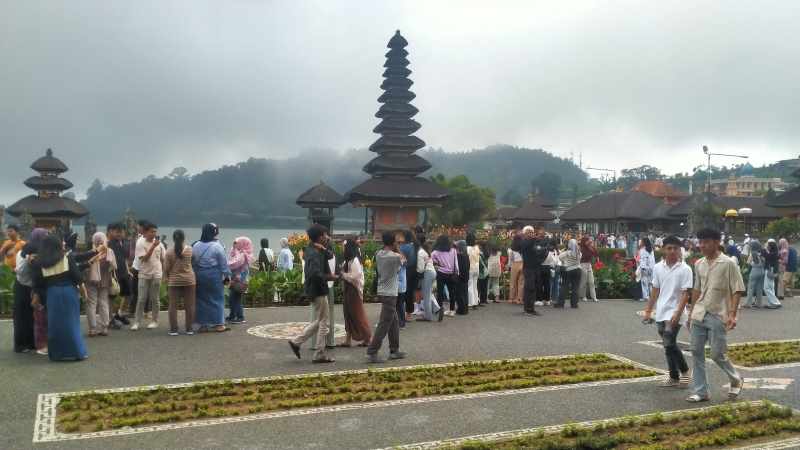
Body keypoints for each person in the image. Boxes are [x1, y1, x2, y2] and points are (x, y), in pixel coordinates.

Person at [686, 228, 745, 403]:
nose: (702, 246)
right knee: (696, 351)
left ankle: (736, 378)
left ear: (717, 242)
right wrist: (690, 313)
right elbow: (697, 289)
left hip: (719, 313)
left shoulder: (728, 263)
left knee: (717, 354)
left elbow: (737, 289)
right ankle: (701, 391)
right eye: (700, 242)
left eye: (706, 242)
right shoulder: (699, 263)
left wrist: (732, 314)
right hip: (699, 312)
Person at [643, 236, 692, 387]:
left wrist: (677, 313)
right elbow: (655, 290)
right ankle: (674, 377)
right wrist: (648, 310)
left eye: (675, 248)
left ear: (679, 250)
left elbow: (686, 293)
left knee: (669, 342)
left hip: (676, 311)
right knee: (668, 344)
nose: (672, 251)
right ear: (664, 249)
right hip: (661, 311)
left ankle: (685, 372)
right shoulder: (658, 267)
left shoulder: (685, 269)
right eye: (669, 248)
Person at [32, 235, 87, 362]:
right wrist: (84, 293)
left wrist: (36, 297)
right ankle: (77, 352)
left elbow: (38, 283)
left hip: (52, 294)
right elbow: (77, 277)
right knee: (72, 323)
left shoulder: (40, 262)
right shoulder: (67, 257)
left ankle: (57, 354)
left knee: (54, 324)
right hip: (69, 292)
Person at [288, 224, 338, 363]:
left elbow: (330, 256)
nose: (327, 237)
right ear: (320, 237)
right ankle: (319, 354)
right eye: (325, 235)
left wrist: (324, 247)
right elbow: (315, 274)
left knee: (321, 320)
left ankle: (296, 342)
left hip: (316, 289)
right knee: (323, 322)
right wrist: (330, 277)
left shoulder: (314, 249)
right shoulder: (314, 253)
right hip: (317, 290)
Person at [366, 231, 406, 363]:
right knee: (384, 324)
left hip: (382, 291)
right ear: (393, 242)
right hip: (390, 294)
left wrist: (393, 246)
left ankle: (394, 350)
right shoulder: (395, 256)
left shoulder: (378, 254)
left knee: (393, 322)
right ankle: (372, 351)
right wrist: (397, 248)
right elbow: (404, 261)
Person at [12, 228, 47, 353]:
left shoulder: (40, 252)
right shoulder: (23, 252)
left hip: (32, 288)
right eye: (43, 236)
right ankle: (21, 345)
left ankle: (32, 342)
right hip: (22, 286)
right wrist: (28, 260)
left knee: (33, 317)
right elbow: (19, 272)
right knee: (22, 317)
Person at [192, 223, 231, 332]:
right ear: (214, 233)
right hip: (214, 275)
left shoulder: (196, 245)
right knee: (217, 299)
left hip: (199, 274)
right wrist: (227, 276)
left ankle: (203, 325)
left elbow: (193, 261)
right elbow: (223, 264)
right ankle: (219, 324)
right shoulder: (217, 246)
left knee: (201, 299)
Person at [131, 222, 164, 331]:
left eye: (155, 232)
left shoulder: (160, 244)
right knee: (141, 299)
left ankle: (155, 321)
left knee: (155, 299)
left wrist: (165, 273)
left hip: (157, 274)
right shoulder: (140, 243)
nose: (154, 234)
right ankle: (137, 322)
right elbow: (144, 259)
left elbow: (163, 259)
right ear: (145, 232)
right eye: (151, 231)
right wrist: (153, 246)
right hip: (144, 274)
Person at [163, 229, 196, 336]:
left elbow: (166, 268)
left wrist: (166, 276)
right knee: (190, 305)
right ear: (184, 238)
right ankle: (189, 329)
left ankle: (174, 330)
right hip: (189, 280)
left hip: (174, 281)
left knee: (173, 306)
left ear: (173, 239)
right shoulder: (190, 250)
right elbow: (193, 261)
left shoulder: (169, 252)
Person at [339, 239, 371, 346]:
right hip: (348, 289)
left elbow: (355, 277)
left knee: (357, 314)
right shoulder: (348, 261)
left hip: (354, 290)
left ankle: (367, 338)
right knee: (348, 314)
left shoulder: (354, 261)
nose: (342, 248)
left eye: (344, 246)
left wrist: (343, 275)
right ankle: (348, 340)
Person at [85, 232, 117, 337]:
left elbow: (86, 267)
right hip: (105, 280)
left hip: (91, 280)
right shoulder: (109, 252)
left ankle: (92, 329)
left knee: (91, 304)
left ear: (93, 241)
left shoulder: (90, 252)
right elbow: (114, 266)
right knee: (104, 303)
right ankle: (104, 327)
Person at [511, 226, 547, 316]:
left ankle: (531, 309)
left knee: (533, 289)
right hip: (528, 268)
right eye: (529, 232)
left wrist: (541, 252)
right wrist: (534, 238)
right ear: (524, 234)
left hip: (535, 267)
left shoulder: (533, 242)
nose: (531, 234)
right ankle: (527, 309)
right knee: (529, 288)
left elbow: (541, 251)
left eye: (532, 232)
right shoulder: (524, 242)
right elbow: (521, 246)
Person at [106, 223, 132, 326]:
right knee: (111, 297)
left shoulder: (124, 243)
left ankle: (120, 314)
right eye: (117, 231)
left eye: (121, 231)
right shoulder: (108, 244)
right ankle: (110, 319)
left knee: (128, 294)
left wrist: (128, 270)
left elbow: (124, 258)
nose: (119, 234)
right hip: (113, 274)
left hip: (124, 273)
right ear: (111, 231)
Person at [227, 237, 254, 324]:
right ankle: (233, 315)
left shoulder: (243, 254)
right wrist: (234, 249)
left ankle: (240, 317)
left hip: (239, 280)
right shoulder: (243, 253)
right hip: (238, 279)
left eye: (237, 243)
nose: (235, 244)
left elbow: (234, 263)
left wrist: (235, 249)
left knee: (235, 298)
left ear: (242, 244)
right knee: (233, 298)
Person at [431, 235, 458, 320]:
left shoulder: (435, 252)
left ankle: (440, 309)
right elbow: (456, 263)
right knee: (452, 292)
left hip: (441, 273)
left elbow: (432, 261)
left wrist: (438, 265)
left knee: (440, 292)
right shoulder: (453, 250)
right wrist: (456, 272)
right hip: (451, 274)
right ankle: (452, 310)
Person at [416, 240, 439, 321]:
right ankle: (437, 309)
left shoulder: (420, 253)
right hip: (432, 272)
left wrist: (417, 273)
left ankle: (428, 316)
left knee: (426, 296)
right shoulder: (426, 252)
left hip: (427, 274)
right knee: (428, 294)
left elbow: (421, 268)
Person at [557, 239, 581, 308]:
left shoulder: (567, 253)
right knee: (575, 287)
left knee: (564, 286)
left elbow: (559, 257)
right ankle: (574, 304)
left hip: (568, 270)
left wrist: (565, 261)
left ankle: (561, 303)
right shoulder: (579, 253)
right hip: (578, 270)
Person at [400, 230, 418, 322]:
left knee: (403, 293)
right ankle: (409, 314)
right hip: (414, 271)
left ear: (404, 237)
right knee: (410, 293)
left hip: (405, 271)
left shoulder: (402, 247)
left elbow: (401, 260)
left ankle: (400, 313)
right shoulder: (415, 246)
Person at [742, 240, 765, 308]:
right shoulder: (762, 252)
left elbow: (748, 263)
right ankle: (759, 303)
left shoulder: (752, 253)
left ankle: (748, 303)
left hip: (755, 270)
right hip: (762, 271)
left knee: (751, 287)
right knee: (759, 288)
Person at [763, 240, 782, 309]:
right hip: (773, 270)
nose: (767, 247)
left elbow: (765, 255)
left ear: (771, 247)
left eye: (768, 246)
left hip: (770, 270)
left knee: (766, 288)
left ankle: (776, 302)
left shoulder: (773, 254)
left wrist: (764, 248)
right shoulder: (775, 253)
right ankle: (771, 303)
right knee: (771, 287)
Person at [578, 236, 598, 302]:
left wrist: (592, 246)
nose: (589, 241)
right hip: (582, 264)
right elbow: (581, 256)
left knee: (592, 282)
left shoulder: (591, 247)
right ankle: (583, 296)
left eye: (589, 240)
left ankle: (594, 297)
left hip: (589, 265)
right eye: (587, 240)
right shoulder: (581, 248)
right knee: (584, 281)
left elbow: (596, 254)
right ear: (584, 241)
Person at [454, 240, 470, 315]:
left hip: (460, 277)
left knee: (459, 293)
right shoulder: (466, 255)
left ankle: (461, 309)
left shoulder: (459, 256)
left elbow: (458, 267)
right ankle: (465, 309)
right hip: (466, 276)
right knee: (465, 293)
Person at [466, 232, 481, 310]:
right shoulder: (477, 248)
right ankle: (476, 302)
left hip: (470, 268)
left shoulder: (467, 248)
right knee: (475, 286)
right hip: (476, 268)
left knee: (470, 285)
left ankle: (470, 303)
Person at [638, 238, 656, 302]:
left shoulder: (642, 250)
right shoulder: (651, 250)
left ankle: (645, 297)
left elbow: (643, 260)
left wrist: (642, 267)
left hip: (644, 268)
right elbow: (652, 260)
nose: (640, 243)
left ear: (644, 243)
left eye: (641, 241)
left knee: (644, 283)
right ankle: (651, 296)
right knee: (650, 283)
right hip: (652, 268)